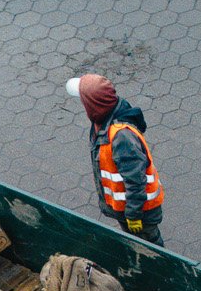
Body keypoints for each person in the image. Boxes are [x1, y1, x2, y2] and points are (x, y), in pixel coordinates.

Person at [66, 73, 166, 246]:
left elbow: (135, 180)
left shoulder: (121, 137)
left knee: (152, 250)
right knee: (137, 246)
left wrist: (133, 216)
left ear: (93, 106)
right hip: (127, 209)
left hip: (140, 213)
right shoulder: (105, 119)